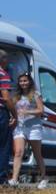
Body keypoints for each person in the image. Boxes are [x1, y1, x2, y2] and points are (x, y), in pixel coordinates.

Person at [9, 73, 47, 188]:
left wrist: (27, 112)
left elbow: (41, 110)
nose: (23, 83)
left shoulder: (35, 94)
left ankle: (44, 178)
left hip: (33, 127)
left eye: (25, 81)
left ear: (29, 82)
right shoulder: (16, 96)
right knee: (18, 152)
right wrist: (12, 117)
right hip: (20, 127)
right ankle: (14, 179)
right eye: (21, 81)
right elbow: (13, 109)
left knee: (37, 154)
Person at [0, 51, 14, 185]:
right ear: (2, 60)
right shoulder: (3, 75)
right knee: (3, 146)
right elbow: (6, 98)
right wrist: (14, 114)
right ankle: (2, 179)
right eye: (7, 59)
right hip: (1, 113)